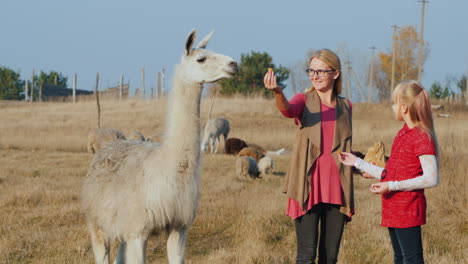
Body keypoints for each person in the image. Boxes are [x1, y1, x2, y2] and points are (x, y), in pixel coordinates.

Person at [264, 49, 354, 264]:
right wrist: (277, 91)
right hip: (308, 188)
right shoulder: (303, 100)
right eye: (311, 71)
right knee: (306, 255)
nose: (314, 76)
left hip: (337, 189)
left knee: (330, 258)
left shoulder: (346, 106)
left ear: (335, 73)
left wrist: (361, 165)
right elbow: (288, 110)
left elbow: (344, 147)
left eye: (321, 71)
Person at [338, 81, 439, 264]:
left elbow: (431, 179)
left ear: (404, 107)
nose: (392, 107)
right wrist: (358, 162)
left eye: (394, 103)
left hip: (408, 210)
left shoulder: (422, 136)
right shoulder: (402, 134)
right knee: (400, 258)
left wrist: (391, 185)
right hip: (393, 209)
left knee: (412, 259)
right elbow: (391, 173)